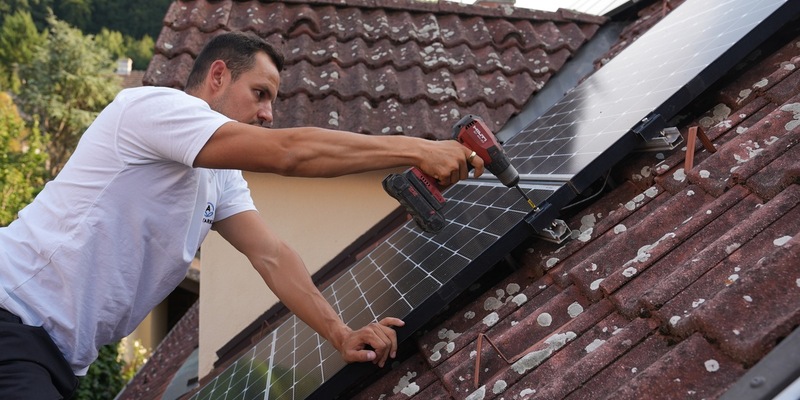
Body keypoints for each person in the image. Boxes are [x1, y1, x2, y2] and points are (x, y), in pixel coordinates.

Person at [0, 31, 484, 399]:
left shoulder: (219, 176)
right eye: (261, 93)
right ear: (217, 77)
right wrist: (416, 149)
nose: (269, 113)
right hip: (13, 317)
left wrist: (340, 332)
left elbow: (271, 255)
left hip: (58, 357)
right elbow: (291, 153)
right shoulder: (153, 109)